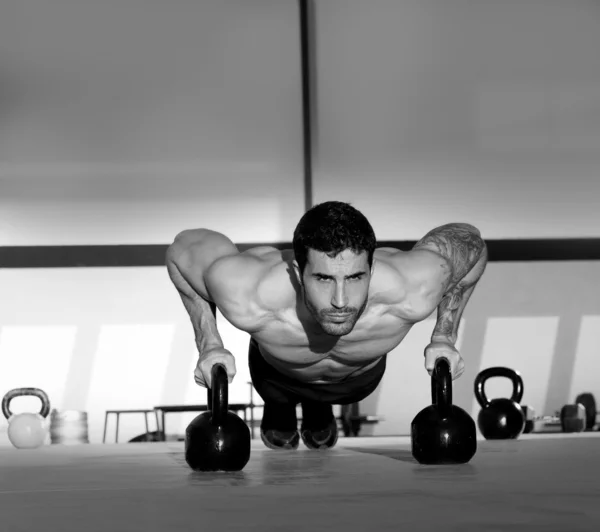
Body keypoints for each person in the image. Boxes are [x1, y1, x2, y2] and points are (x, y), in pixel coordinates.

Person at [166, 201, 488, 450]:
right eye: (323, 278)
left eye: (355, 277)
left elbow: (474, 245)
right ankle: (281, 408)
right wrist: (209, 343)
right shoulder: (249, 290)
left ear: (372, 269)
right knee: (279, 403)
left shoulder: (412, 286)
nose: (340, 300)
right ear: (297, 271)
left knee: (321, 406)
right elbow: (182, 248)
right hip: (278, 376)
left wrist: (444, 335)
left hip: (356, 382)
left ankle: (319, 407)